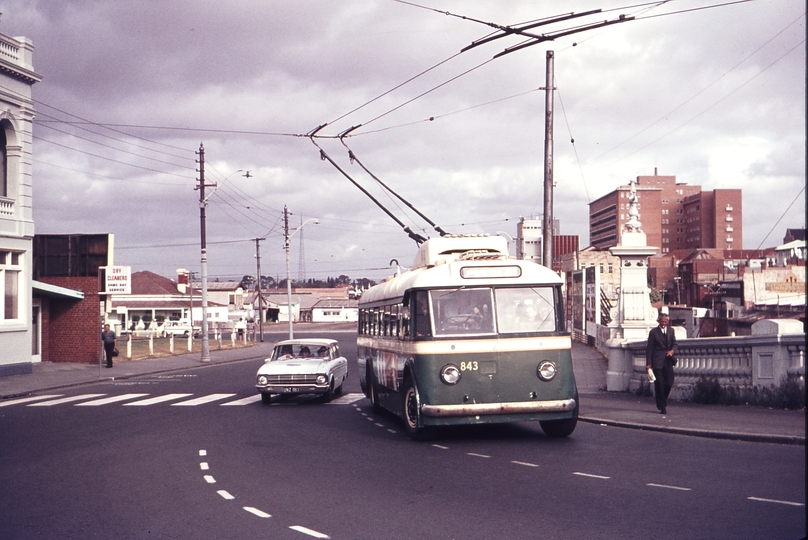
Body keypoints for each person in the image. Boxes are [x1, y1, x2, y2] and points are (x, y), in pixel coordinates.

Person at [646, 313, 677, 414]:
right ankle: (662, 405)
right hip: (657, 361)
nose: (663, 324)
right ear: (659, 321)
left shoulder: (671, 331)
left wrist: (672, 351)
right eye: (662, 322)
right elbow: (649, 348)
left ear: (668, 322)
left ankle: (661, 400)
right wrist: (649, 363)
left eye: (665, 322)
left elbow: (675, 344)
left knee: (669, 383)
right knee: (659, 384)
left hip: (668, 360)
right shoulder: (653, 332)